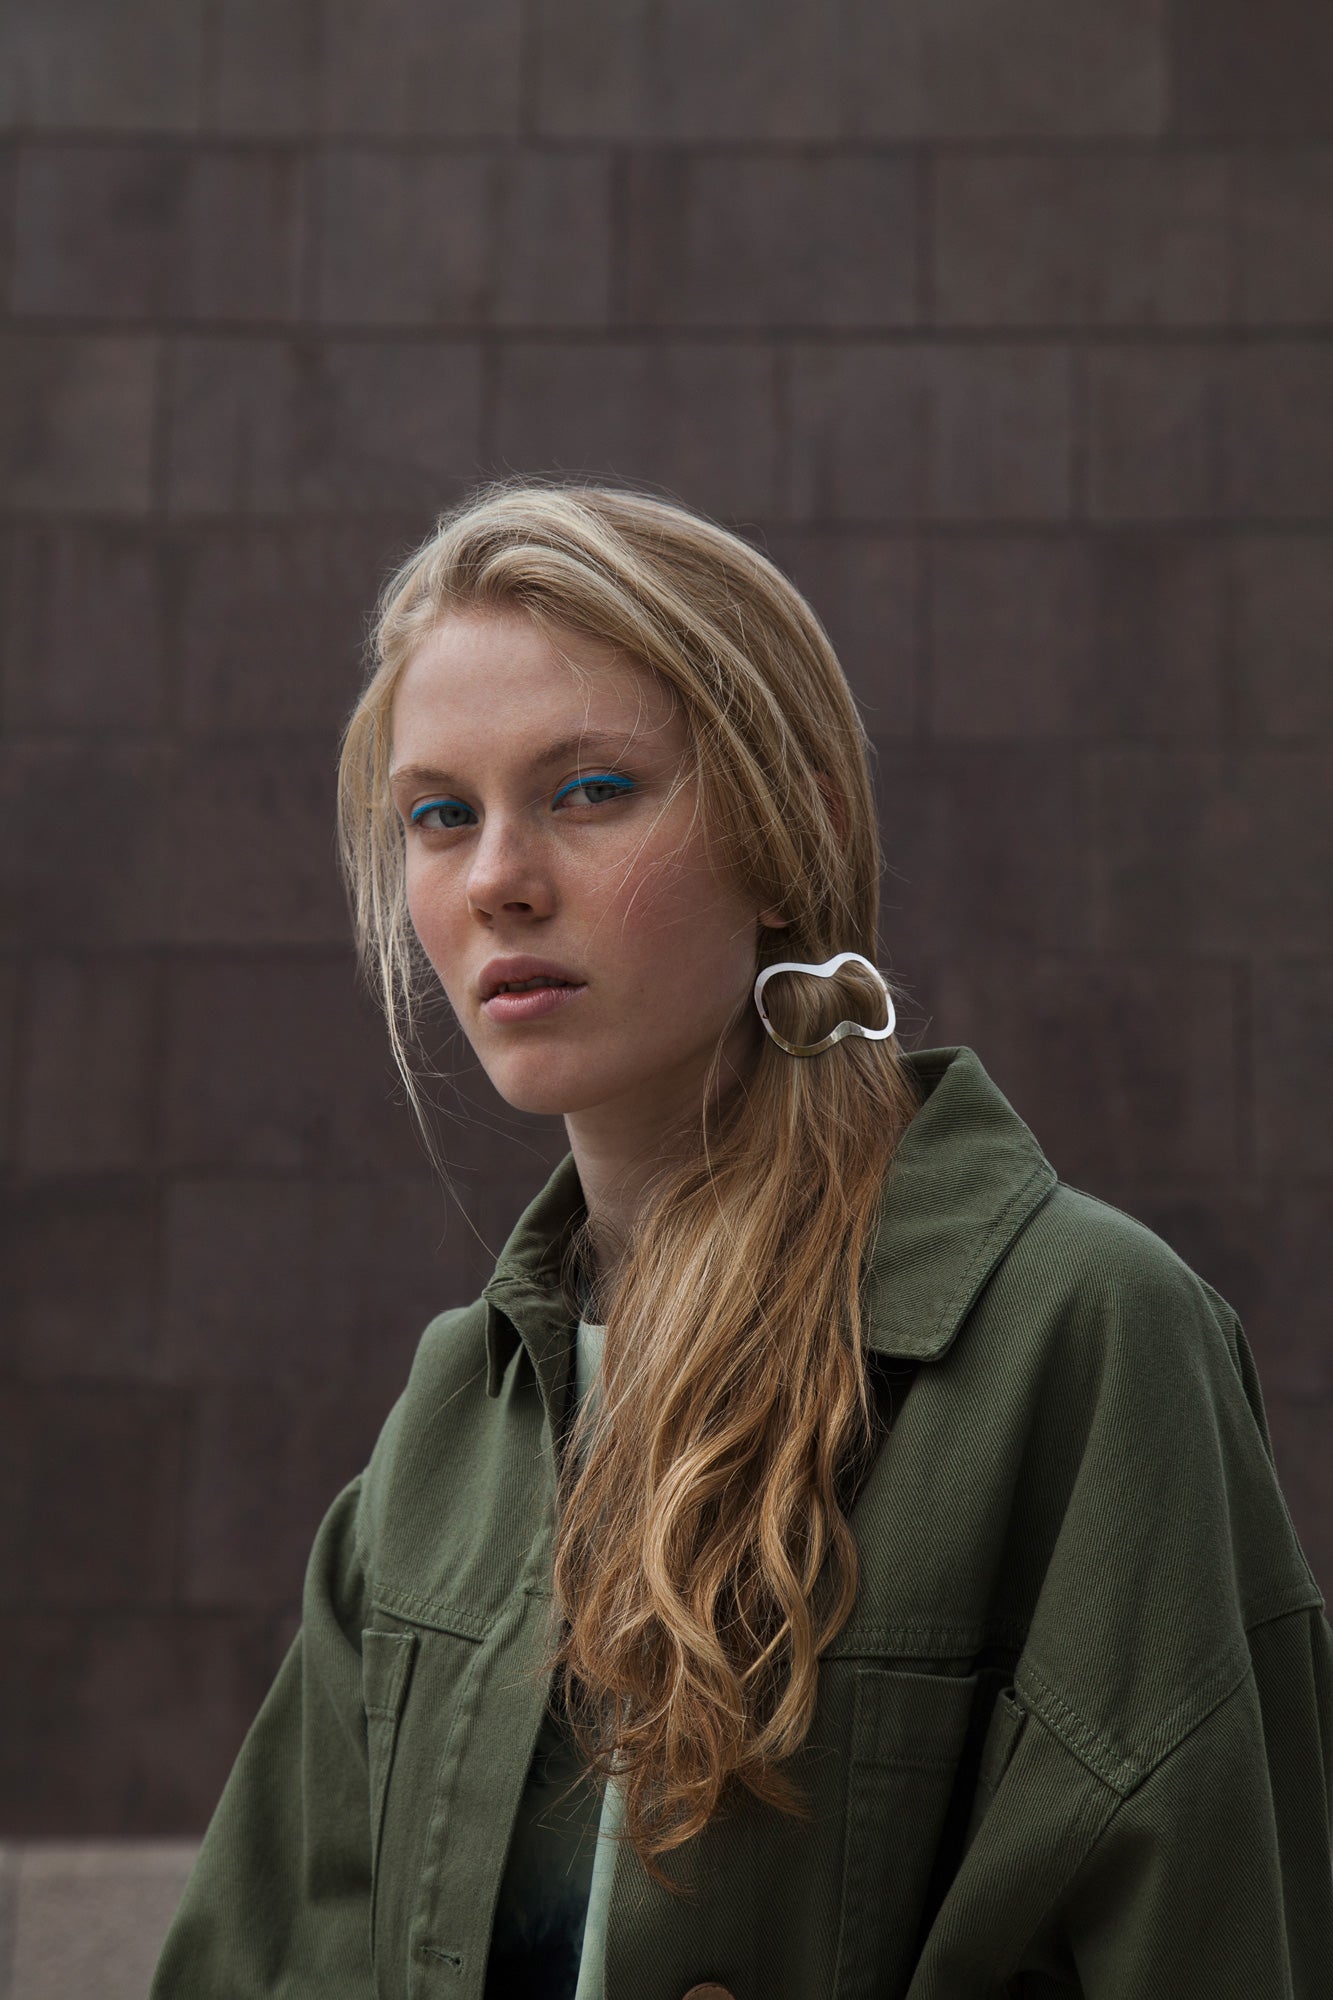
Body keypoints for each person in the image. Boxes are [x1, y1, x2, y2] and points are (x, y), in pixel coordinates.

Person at [152, 481, 1333, 1999]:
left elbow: (1203, 1938)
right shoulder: (456, 1420)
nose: (497, 876)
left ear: (791, 831)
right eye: (440, 815)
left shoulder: (1079, 1332)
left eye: (589, 791)